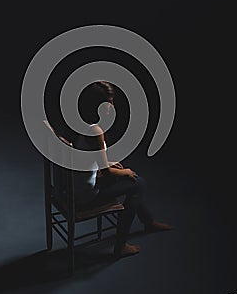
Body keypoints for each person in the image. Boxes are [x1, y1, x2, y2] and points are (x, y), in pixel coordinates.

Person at [73, 81, 173, 259]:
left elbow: (93, 159)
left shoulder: (85, 125)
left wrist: (110, 163)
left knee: (128, 179)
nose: (112, 107)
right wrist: (125, 171)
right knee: (138, 183)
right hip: (86, 196)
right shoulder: (96, 131)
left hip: (79, 187)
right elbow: (107, 172)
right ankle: (121, 245)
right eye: (109, 102)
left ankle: (148, 222)